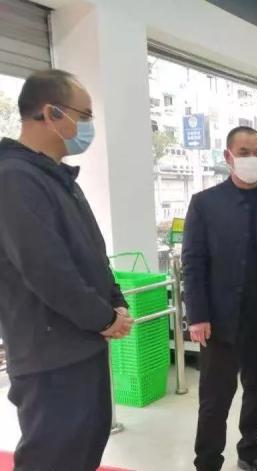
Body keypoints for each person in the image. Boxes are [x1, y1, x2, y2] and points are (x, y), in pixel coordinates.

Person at [0, 69, 133, 471]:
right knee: (52, 457)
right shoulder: (14, 179)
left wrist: (116, 303)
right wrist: (103, 318)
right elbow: (47, 270)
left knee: (83, 449)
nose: (88, 126)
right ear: (52, 113)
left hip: (82, 345)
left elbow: (92, 253)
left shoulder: (59, 179)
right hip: (50, 356)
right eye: (85, 115)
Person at [182, 126, 257, 471]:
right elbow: (193, 263)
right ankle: (207, 462)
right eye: (244, 152)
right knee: (214, 399)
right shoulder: (205, 204)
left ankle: (250, 452)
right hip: (219, 319)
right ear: (228, 157)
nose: (253, 158)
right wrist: (197, 315)